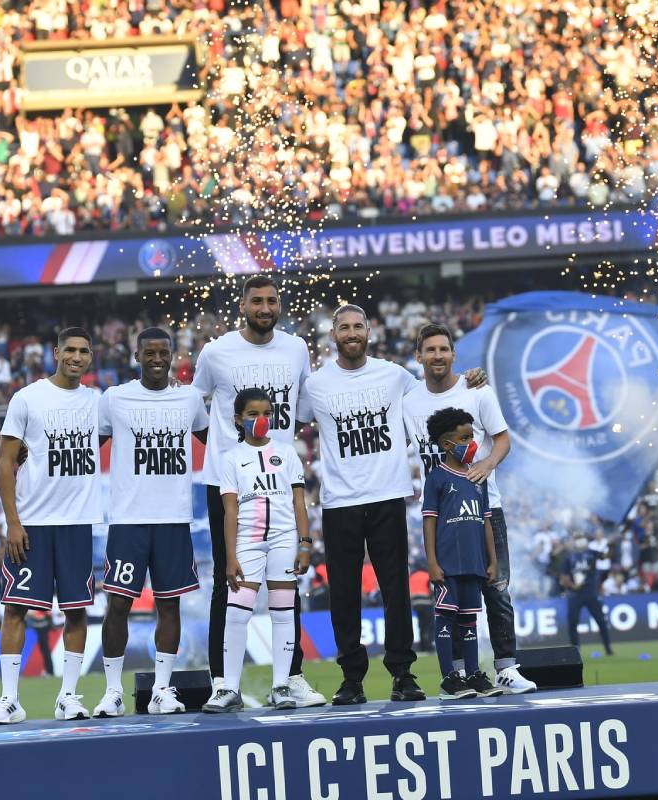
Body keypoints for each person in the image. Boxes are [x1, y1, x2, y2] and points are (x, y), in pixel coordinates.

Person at [192, 274, 325, 707]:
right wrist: (223, 454)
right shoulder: (216, 352)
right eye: (257, 302)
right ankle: (221, 682)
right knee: (226, 585)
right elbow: (196, 407)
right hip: (228, 484)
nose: (265, 308)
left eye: (271, 301)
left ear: (279, 304)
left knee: (286, 585)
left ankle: (291, 678)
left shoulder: (296, 348)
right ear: (243, 305)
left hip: (280, 482)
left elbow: (305, 405)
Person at [295, 303, 425, 705]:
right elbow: (290, 423)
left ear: (369, 332)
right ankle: (351, 678)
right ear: (333, 335)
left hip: (387, 495)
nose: (352, 333)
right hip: (339, 502)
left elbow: (431, 403)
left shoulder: (395, 375)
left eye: (358, 327)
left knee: (395, 590)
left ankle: (402, 673)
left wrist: (471, 383)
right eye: (344, 327)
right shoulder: (315, 385)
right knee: (345, 594)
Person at [404, 323, 537, 694]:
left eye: (443, 349)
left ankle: (506, 667)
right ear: (418, 357)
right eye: (429, 350)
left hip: (484, 507)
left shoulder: (477, 391)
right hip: (440, 516)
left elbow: (503, 439)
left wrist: (487, 465)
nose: (437, 356)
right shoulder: (409, 401)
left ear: (453, 354)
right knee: (451, 596)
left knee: (496, 588)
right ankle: (459, 673)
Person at [0, 327, 101, 725]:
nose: (76, 356)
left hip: (76, 523)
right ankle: (9, 700)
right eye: (69, 349)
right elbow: (4, 463)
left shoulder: (97, 402)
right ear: (55, 352)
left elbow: (98, 441)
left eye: (84, 351)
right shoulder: (28, 398)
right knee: (15, 609)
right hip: (32, 524)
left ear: (91, 357)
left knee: (76, 611)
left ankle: (68, 696)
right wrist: (12, 523)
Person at [93, 328, 209, 717]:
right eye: (150, 352)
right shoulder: (114, 398)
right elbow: (89, 445)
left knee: (169, 606)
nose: (157, 358)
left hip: (174, 520)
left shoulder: (190, 398)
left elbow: (215, 441)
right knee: (118, 606)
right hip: (128, 520)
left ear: (173, 356)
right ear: (137, 355)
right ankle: (112, 692)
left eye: (164, 352)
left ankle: (161, 689)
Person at [203, 388, 312, 712]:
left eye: (266, 413)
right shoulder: (231, 458)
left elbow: (298, 501)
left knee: (283, 612)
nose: (261, 420)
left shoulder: (287, 453)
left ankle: (281, 686)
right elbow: (230, 510)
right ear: (238, 419)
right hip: (247, 541)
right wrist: (230, 556)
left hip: (283, 538)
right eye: (252, 414)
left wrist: (305, 543)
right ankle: (228, 688)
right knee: (236, 613)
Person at [422, 407, 505, 699]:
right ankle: (449, 679)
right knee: (446, 618)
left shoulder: (476, 478)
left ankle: (472, 674)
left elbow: (485, 523)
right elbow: (429, 520)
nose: (472, 443)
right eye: (465, 437)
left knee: (470, 621)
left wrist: (492, 561)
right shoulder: (437, 478)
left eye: (473, 436)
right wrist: (431, 562)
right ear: (447, 444)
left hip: (474, 564)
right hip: (447, 564)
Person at [562, 535, 614, 655]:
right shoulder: (569, 557)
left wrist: (611, 547)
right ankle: (575, 650)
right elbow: (563, 577)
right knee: (573, 623)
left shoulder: (592, 553)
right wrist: (573, 586)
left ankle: (608, 648)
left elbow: (606, 556)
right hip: (574, 595)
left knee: (601, 621)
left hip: (591, 593)